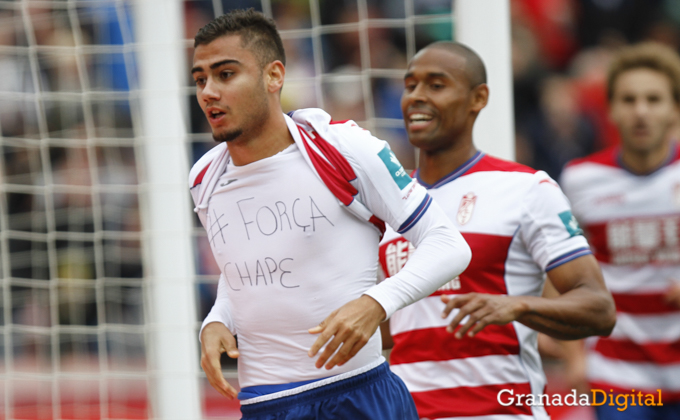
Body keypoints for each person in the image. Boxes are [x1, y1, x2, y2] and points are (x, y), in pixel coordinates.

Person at [188, 9, 472, 420]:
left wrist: (377, 303)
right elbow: (245, 271)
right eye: (200, 80)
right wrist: (216, 320)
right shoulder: (204, 178)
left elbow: (449, 245)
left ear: (274, 76)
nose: (209, 92)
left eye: (225, 75)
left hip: (356, 394)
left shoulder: (343, 148)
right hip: (264, 405)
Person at [378, 41, 616, 420]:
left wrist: (518, 305)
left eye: (436, 85)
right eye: (410, 86)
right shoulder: (389, 202)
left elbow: (600, 310)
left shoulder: (525, 189)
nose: (416, 97)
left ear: (478, 98)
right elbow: (402, 327)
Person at [560, 42, 680, 420]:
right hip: (616, 378)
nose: (641, 111)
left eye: (653, 99)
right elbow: (560, 272)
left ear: (674, 108)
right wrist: (572, 356)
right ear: (610, 108)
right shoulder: (579, 179)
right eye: (628, 99)